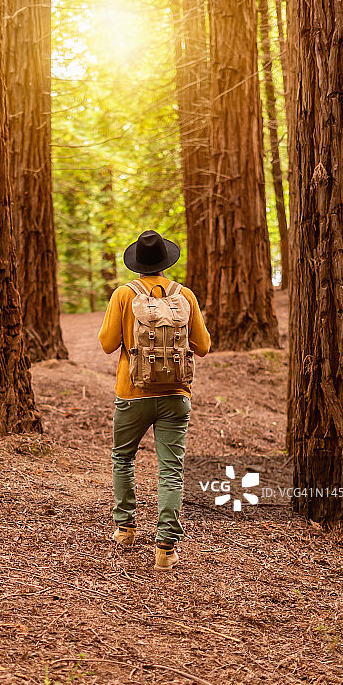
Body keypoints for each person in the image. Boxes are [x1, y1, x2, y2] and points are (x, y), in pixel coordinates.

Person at [98, 230, 211, 570]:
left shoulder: (123, 294)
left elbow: (106, 344)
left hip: (133, 393)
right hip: (176, 395)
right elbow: (203, 347)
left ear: (137, 264)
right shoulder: (185, 295)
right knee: (171, 470)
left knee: (123, 458)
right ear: (166, 261)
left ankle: (126, 529)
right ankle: (165, 549)